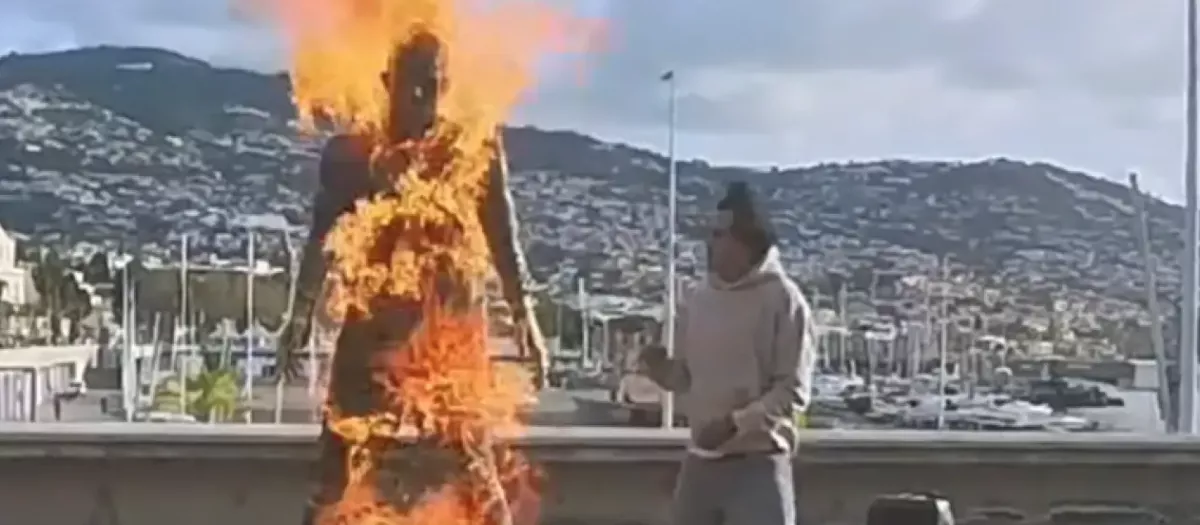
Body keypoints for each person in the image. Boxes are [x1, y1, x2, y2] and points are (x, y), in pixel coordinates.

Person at [276, 31, 547, 525]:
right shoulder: (353, 154)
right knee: (338, 470)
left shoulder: (471, 147)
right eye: (412, 85)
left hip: (447, 336)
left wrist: (523, 313)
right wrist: (298, 316)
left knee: (474, 467)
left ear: (447, 85)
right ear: (388, 83)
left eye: (434, 84)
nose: (424, 97)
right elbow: (320, 240)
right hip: (373, 329)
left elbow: (502, 235)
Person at [641, 181, 815, 525]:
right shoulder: (698, 297)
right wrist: (661, 370)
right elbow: (687, 378)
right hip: (700, 463)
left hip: (758, 465)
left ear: (746, 240)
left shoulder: (784, 300)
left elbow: (792, 391)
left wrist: (735, 424)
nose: (710, 243)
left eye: (719, 234)